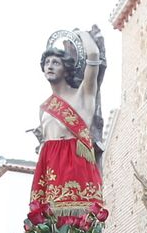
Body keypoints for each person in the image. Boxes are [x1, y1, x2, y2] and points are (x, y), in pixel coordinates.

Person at [32, 26, 107, 213]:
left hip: (76, 166)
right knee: (53, 226)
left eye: (55, 62)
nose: (49, 65)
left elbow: (93, 56)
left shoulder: (83, 94)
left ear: (66, 69)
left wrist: (79, 35)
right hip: (51, 170)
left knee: (80, 222)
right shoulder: (44, 108)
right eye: (47, 62)